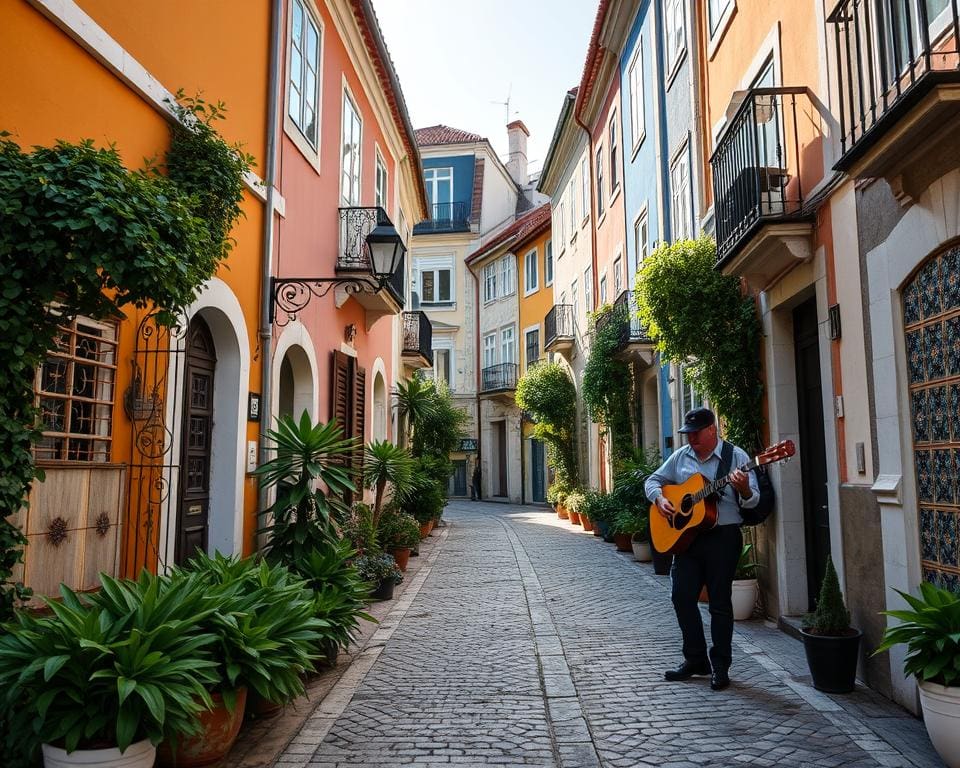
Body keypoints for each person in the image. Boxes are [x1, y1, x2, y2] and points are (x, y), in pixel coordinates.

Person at [644, 407, 759, 691]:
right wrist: (659, 499)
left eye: (696, 433)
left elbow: (753, 500)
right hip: (688, 539)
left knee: (720, 604)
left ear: (712, 430)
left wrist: (743, 489)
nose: (691, 439)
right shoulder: (681, 456)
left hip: (723, 538)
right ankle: (695, 659)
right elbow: (652, 480)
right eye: (688, 434)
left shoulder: (737, 458)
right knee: (681, 597)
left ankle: (721, 666)